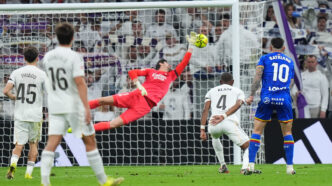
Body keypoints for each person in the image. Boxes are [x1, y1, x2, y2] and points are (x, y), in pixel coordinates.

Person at [40, 22, 123, 186]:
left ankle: (45, 182)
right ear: (72, 37)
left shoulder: (47, 57)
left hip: (55, 106)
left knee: (52, 143)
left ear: (57, 38)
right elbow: (80, 83)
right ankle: (104, 181)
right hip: (72, 105)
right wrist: (86, 107)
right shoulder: (74, 56)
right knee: (90, 141)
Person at [89, 32, 197, 131]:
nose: (169, 65)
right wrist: (138, 85)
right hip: (135, 95)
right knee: (102, 100)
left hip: (144, 106)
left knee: (113, 124)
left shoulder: (171, 75)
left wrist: (191, 46)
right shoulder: (151, 71)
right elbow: (132, 72)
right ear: (161, 64)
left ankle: (86, 130)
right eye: (167, 63)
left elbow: (184, 62)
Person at [245, 38, 296, 175]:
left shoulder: (264, 58)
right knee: (287, 132)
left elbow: (257, 77)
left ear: (271, 47)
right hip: (284, 99)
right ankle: (290, 168)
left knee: (257, 131)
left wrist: (251, 94)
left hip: (267, 98)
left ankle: (250, 165)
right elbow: (291, 82)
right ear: (283, 48)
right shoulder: (290, 62)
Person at [200, 72, 257, 174]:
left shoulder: (211, 91)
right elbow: (238, 104)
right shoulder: (237, 91)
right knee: (249, 146)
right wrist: (224, 116)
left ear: (220, 82)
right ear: (233, 82)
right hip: (228, 121)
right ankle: (244, 168)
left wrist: (202, 129)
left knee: (215, 137)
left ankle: (223, 166)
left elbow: (205, 110)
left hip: (213, 123)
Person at [3, 46, 46, 179]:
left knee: (19, 144)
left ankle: (12, 168)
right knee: (33, 145)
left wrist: (13, 97)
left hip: (21, 115)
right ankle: (28, 174)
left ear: (24, 58)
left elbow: (5, 91)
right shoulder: (42, 74)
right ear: (37, 58)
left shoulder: (16, 72)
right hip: (35, 116)